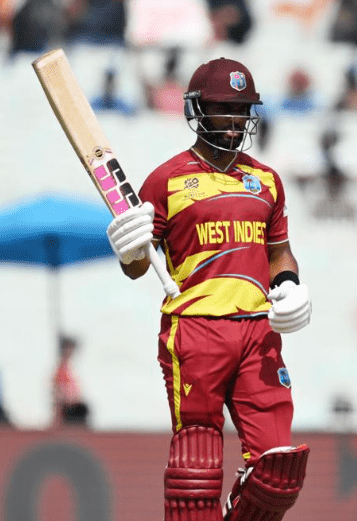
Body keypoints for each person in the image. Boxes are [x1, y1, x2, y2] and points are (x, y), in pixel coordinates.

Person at [104, 57, 312, 520]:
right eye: (225, 109)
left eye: (242, 110)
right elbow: (138, 268)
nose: (236, 120)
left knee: (278, 472)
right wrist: (129, 250)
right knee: (196, 470)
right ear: (198, 109)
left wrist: (290, 284)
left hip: (259, 332)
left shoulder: (267, 181)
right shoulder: (165, 180)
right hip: (196, 329)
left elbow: (280, 252)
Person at [53, 335, 90, 427]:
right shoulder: (61, 369)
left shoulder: (67, 368)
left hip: (71, 405)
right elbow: (60, 392)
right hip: (67, 408)